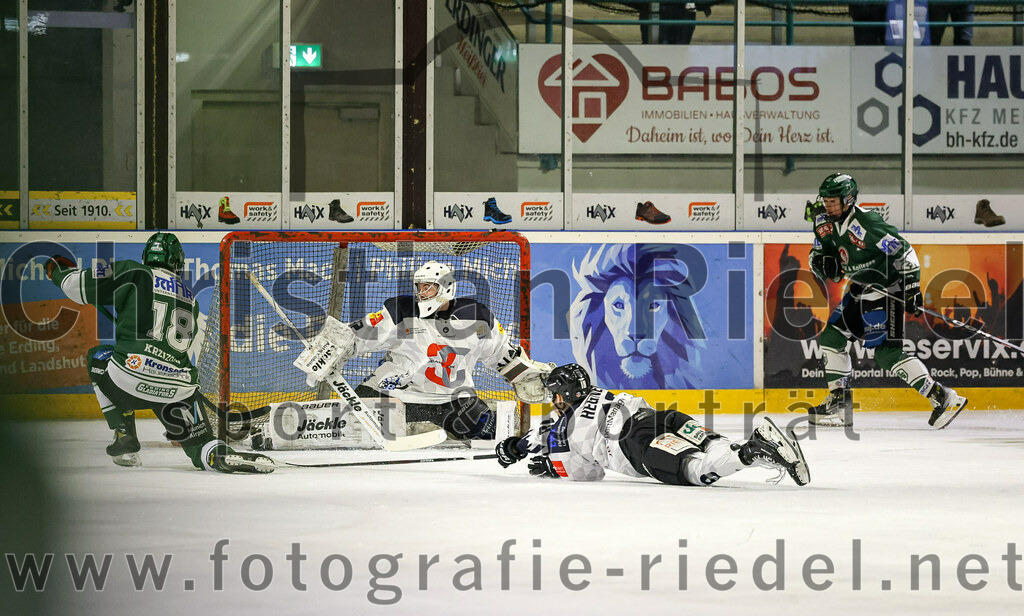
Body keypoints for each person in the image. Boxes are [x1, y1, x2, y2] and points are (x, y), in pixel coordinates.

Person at [46, 232, 274, 473]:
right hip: (175, 390)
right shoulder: (189, 298)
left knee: (98, 356)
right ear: (178, 262)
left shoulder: (133, 271)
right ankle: (216, 454)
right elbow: (180, 350)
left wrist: (59, 269)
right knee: (201, 445)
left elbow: (75, 286)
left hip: (128, 381)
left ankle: (124, 434)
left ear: (146, 256)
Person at [299, 260, 552, 440]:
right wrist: (329, 348)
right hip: (394, 394)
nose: (422, 293)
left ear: (446, 287)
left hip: (450, 400)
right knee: (347, 428)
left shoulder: (477, 317)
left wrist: (526, 374)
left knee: (486, 429)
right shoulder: (401, 311)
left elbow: (501, 356)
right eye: (419, 287)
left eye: (428, 286)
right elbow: (358, 336)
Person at [805, 173, 968, 429]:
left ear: (848, 200)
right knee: (832, 339)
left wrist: (912, 287)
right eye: (825, 201)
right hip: (859, 289)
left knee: (887, 354)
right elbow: (818, 255)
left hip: (887, 290)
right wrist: (820, 264)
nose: (828, 206)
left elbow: (904, 250)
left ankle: (944, 397)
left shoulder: (867, 223)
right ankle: (839, 406)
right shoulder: (823, 222)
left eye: (834, 201)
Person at [495, 364, 810, 487]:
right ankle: (755, 445)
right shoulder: (598, 393)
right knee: (709, 443)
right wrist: (518, 447)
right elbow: (537, 436)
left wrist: (551, 466)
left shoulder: (562, 428)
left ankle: (753, 452)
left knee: (695, 471)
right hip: (661, 418)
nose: (553, 400)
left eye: (555, 394)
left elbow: (589, 474)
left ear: (564, 394)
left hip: (635, 444)